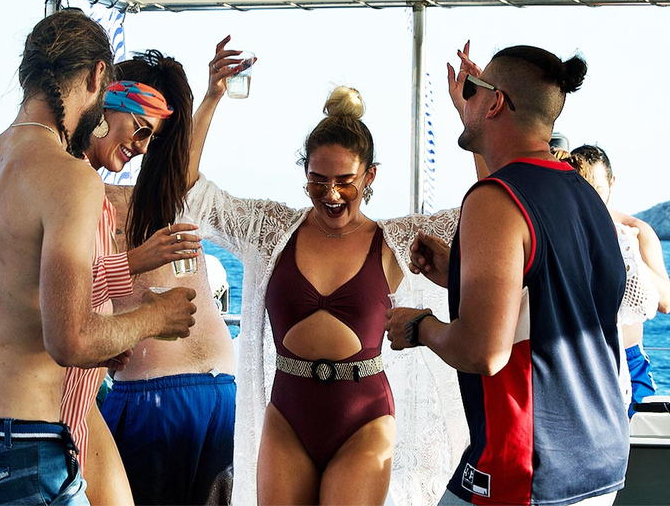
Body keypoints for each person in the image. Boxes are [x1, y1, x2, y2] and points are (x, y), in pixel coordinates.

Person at [0, 10, 196, 505]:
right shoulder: (71, 179)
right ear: (96, 77)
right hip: (19, 450)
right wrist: (156, 315)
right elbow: (70, 340)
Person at [185, 41, 468, 505]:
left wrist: (473, 126)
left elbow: (484, 215)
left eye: (345, 182)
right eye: (318, 180)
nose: (331, 194)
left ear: (370, 176)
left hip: (364, 420)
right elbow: (192, 192)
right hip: (288, 418)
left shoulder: (398, 240)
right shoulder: (269, 230)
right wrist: (212, 97)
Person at [386, 44, 629, 505]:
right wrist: (458, 272)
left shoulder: (495, 199)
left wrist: (419, 327)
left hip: (528, 465)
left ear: (495, 102)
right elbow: (551, 294)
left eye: (473, 92)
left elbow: (484, 351)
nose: (465, 99)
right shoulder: (584, 195)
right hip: (599, 458)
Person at [61, 49, 202, 506]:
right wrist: (137, 270)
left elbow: (77, 300)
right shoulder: (66, 184)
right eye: (141, 129)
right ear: (109, 98)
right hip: (44, 421)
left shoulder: (94, 193)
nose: (143, 146)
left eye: (151, 138)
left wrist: (105, 345)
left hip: (78, 407)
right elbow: (52, 299)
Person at [98, 42, 237, 506]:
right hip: (220, 390)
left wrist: (212, 97)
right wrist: (212, 96)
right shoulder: (164, 196)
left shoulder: (96, 199)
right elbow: (181, 160)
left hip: (153, 397)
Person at [568, 144, 670, 417]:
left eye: (598, 189)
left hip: (630, 358)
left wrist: (630, 255)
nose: (591, 198)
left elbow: (666, 302)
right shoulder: (565, 230)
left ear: (612, 183)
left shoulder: (636, 231)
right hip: (581, 364)